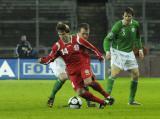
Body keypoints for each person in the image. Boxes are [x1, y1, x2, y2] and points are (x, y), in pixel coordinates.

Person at [39, 22, 114, 108]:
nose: (61, 36)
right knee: (79, 91)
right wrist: (42, 60)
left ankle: (105, 96)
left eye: (63, 34)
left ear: (67, 32)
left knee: (88, 81)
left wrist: (99, 55)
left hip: (82, 65)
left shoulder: (77, 40)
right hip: (69, 68)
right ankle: (101, 102)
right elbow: (50, 58)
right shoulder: (57, 46)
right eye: (59, 34)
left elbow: (90, 49)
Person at [47, 23, 96, 108]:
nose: (85, 36)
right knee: (63, 77)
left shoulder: (79, 43)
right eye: (83, 34)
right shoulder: (63, 42)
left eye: (86, 34)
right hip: (58, 60)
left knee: (82, 79)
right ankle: (51, 97)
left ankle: (89, 102)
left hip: (69, 62)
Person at [103, 7, 144, 105]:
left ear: (132, 17)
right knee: (114, 73)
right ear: (123, 16)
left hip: (129, 53)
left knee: (136, 74)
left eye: (129, 16)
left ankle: (131, 100)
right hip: (118, 52)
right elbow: (107, 40)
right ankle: (106, 99)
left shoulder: (135, 25)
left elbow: (138, 38)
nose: (127, 18)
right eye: (125, 16)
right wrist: (107, 51)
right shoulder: (117, 26)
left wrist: (140, 49)